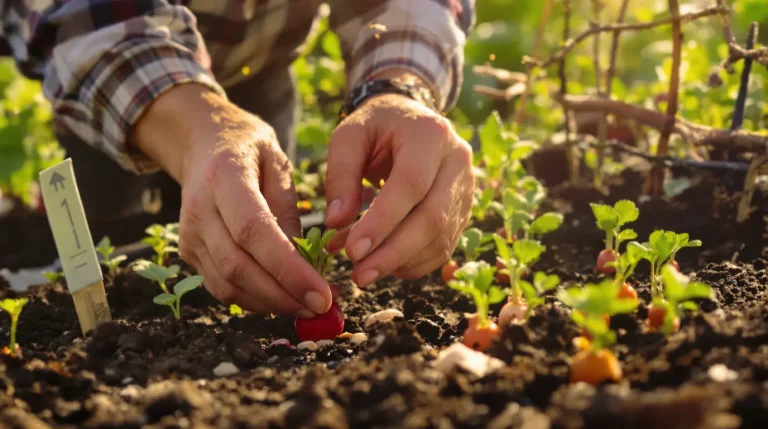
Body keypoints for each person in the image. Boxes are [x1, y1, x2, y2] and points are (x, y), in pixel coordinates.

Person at [0, 1, 476, 319]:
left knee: (255, 232)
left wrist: (397, 88)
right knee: (111, 232)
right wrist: (195, 129)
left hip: (262, 63)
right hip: (116, 84)